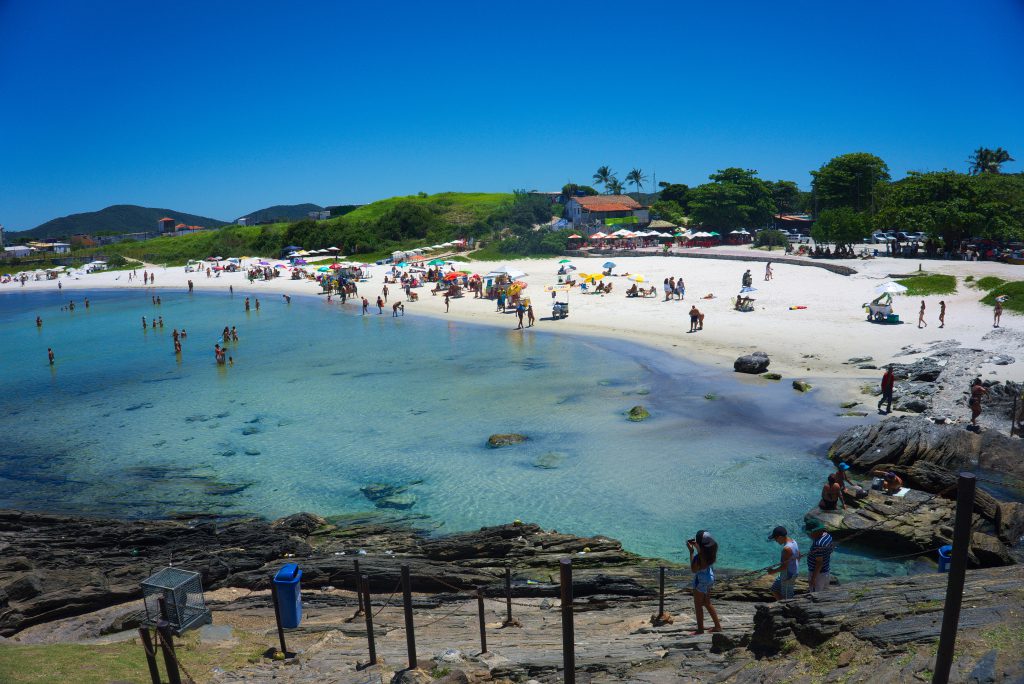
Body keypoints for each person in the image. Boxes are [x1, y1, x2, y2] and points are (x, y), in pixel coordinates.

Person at [686, 531, 722, 634]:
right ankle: (717, 626)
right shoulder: (710, 555)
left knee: (698, 605)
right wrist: (698, 548)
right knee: (707, 602)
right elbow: (702, 553)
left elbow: (694, 569)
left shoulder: (698, 558)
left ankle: (700, 629)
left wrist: (691, 552)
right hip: (709, 578)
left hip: (700, 581)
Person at [766, 526, 800, 601]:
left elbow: (784, 567)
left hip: (788, 576)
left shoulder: (786, 549)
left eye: (775, 538)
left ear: (780, 537)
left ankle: (786, 610)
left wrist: (772, 571)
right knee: (774, 589)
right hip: (788, 573)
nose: (775, 540)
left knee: (787, 598)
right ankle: (781, 605)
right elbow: (799, 555)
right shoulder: (793, 541)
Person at [805, 519, 834, 593]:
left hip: (818, 575)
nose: (809, 534)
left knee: (815, 595)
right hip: (826, 571)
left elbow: (819, 563)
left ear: (814, 531)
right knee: (824, 593)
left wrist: (813, 579)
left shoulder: (818, 544)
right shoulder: (828, 536)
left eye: (809, 532)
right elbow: (831, 550)